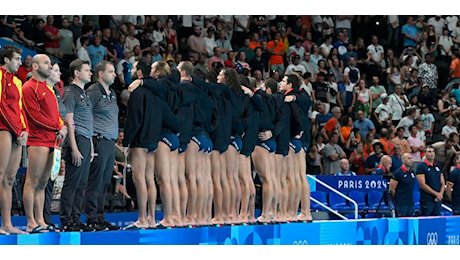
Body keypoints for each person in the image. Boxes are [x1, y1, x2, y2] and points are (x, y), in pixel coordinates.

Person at [22, 54, 67, 234]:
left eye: (50, 63)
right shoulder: (29, 88)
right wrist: (58, 126)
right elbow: (34, 116)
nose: (49, 66)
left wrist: (62, 127)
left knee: (42, 184)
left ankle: (40, 220)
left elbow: (55, 115)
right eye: (46, 63)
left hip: (52, 140)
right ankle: (31, 222)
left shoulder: (48, 89)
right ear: (34, 66)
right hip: (38, 140)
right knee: (32, 182)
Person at [122, 58, 165, 229]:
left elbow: (133, 119)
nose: (132, 71)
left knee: (138, 178)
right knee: (149, 179)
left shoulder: (138, 93)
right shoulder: (157, 92)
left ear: (139, 72)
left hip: (140, 139)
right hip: (153, 139)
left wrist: (126, 142)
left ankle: (141, 218)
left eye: (133, 68)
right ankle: (152, 219)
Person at [84, 61, 120, 231]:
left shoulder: (112, 93)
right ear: (101, 74)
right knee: (96, 181)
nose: (114, 74)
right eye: (111, 71)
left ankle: (100, 216)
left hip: (110, 142)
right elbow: (84, 113)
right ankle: (92, 218)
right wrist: (90, 141)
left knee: (105, 182)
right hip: (98, 140)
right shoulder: (93, 91)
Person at [59, 59, 94, 232]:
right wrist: (73, 147)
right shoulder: (71, 92)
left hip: (86, 140)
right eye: (87, 70)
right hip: (77, 139)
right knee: (72, 182)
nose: (90, 73)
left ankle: (75, 218)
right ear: (76, 73)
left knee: (82, 183)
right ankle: (66, 219)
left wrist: (91, 145)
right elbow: (69, 121)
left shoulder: (84, 93)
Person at [0, 46, 28, 235]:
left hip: (16, 131)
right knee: (0, 175)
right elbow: (1, 105)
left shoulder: (17, 81)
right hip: (3, 128)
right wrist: (16, 129)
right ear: (6, 60)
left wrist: (24, 129)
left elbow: (19, 108)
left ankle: (7, 224)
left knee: (10, 179)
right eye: (17, 59)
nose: (20, 62)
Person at [416, 146, 445, 216]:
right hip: (427, 200)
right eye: (429, 152)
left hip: (438, 199)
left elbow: (443, 182)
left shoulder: (437, 166)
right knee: (426, 221)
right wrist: (436, 194)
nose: (432, 154)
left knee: (437, 221)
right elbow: (422, 184)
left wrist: (440, 194)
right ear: (425, 154)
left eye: (433, 152)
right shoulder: (421, 166)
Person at [390, 153, 416, 217]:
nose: (411, 160)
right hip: (401, 204)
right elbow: (392, 189)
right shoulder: (398, 173)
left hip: (410, 203)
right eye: (408, 158)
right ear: (403, 160)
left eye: (411, 158)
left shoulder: (412, 172)